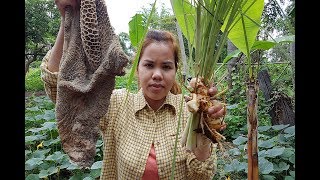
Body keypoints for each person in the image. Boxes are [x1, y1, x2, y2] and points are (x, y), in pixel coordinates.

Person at [40, 0, 226, 179]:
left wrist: (204, 130)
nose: (157, 74)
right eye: (149, 65)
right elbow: (59, 90)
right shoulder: (116, 105)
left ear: (176, 71)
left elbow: (202, 175)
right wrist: (67, 17)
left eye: (167, 67)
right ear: (137, 70)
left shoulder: (189, 112)